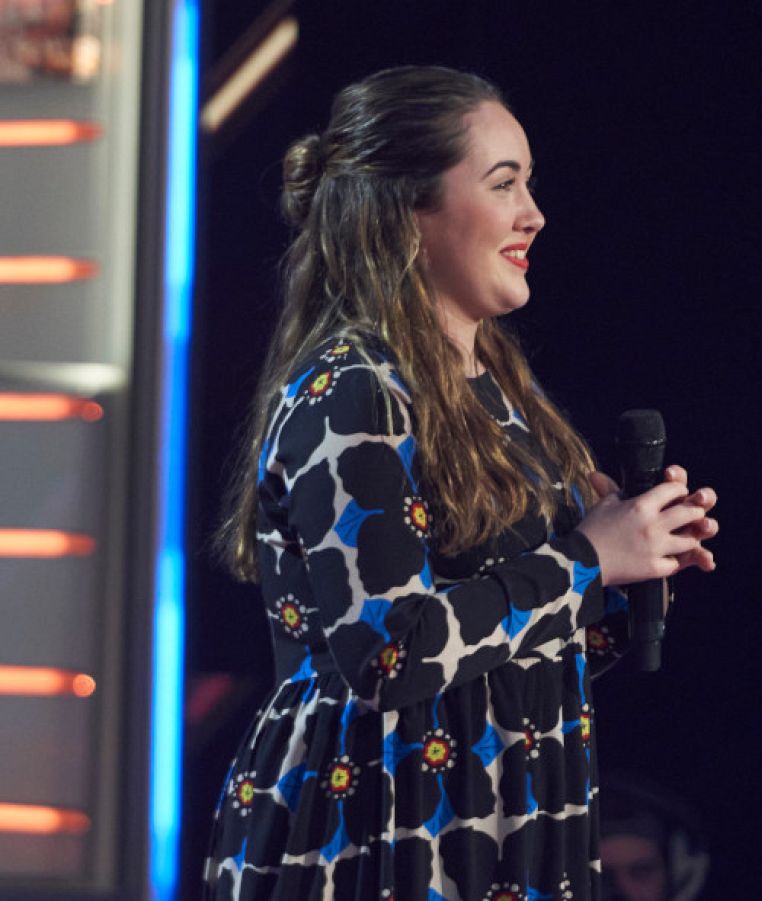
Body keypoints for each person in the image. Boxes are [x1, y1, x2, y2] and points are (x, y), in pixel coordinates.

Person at [201, 65, 718, 901]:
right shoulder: (356, 391)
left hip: (504, 825)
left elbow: (509, 646)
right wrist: (587, 560)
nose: (533, 214)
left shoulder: (503, 395)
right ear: (406, 212)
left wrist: (633, 565)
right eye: (503, 183)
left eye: (529, 184)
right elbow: (392, 653)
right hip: (379, 834)